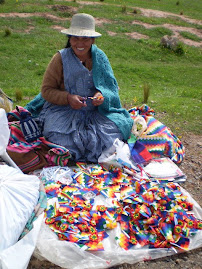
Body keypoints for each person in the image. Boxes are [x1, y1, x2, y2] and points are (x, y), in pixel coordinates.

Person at [38, 13, 133, 163]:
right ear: (69, 39)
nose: (79, 43)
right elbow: (47, 90)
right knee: (58, 137)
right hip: (64, 111)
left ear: (93, 40)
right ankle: (77, 153)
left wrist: (101, 95)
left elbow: (111, 87)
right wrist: (68, 98)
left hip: (95, 112)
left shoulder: (100, 57)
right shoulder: (60, 58)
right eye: (75, 38)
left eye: (85, 39)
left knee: (118, 129)